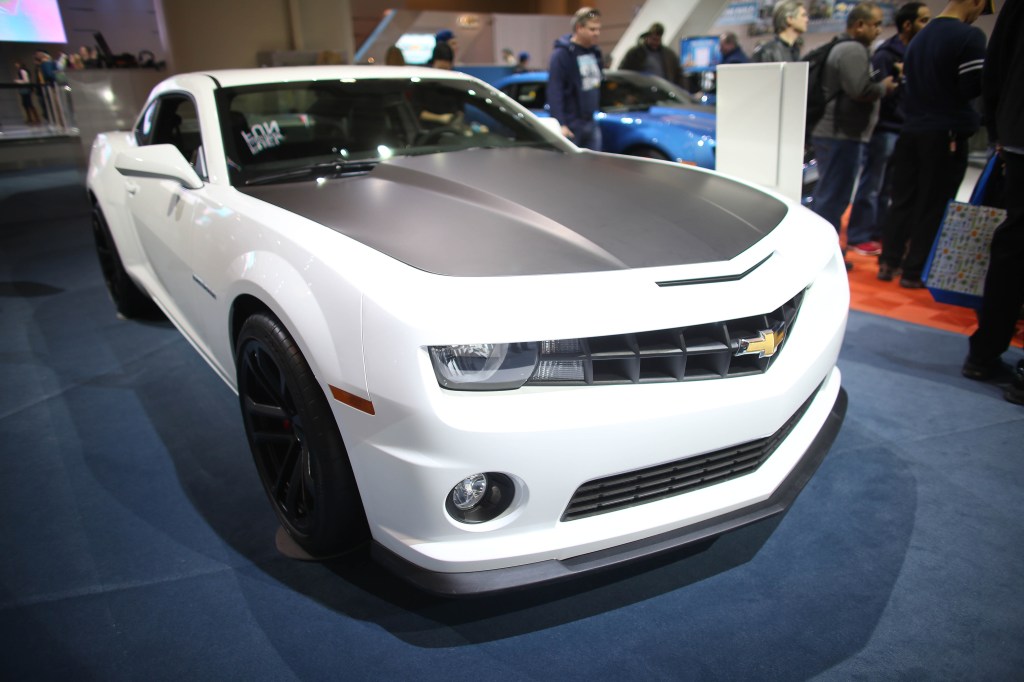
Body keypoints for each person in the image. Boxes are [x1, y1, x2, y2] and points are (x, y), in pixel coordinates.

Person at [877, 0, 988, 288]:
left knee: (902, 199)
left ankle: (888, 262)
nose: (980, 14)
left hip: (911, 130)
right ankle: (914, 271)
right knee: (933, 203)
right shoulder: (969, 37)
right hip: (945, 133)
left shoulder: (917, 40)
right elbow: (972, 88)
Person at [962, 0, 1024, 405]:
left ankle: (984, 352)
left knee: (1013, 244)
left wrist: (999, 129)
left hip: (1017, 136)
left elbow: (995, 68)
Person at [808, 2, 895, 269]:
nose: (878, 30)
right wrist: (885, 86)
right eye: (875, 24)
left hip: (837, 133)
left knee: (830, 194)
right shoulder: (852, 50)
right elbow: (860, 89)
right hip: (841, 134)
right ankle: (824, 255)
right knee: (833, 197)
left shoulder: (842, 47)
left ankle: (824, 252)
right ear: (859, 24)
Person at [846, 2, 930, 257]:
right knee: (872, 184)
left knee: (890, 187)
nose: (927, 25)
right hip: (884, 128)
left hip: (905, 127)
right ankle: (860, 233)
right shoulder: (886, 54)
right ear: (908, 24)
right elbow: (872, 92)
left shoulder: (915, 52)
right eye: (923, 20)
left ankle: (878, 231)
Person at [548, 6, 603, 151]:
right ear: (579, 28)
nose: (597, 33)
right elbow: (555, 90)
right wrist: (561, 124)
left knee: (594, 168)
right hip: (571, 125)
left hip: (590, 122)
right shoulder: (562, 54)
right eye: (592, 29)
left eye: (598, 29)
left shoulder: (594, 52)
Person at [618, 22, 682, 85]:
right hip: (641, 89)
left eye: (658, 40)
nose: (655, 43)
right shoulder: (635, 53)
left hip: (663, 90)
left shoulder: (669, 55)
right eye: (653, 39)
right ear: (647, 38)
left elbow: (678, 73)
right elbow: (623, 71)